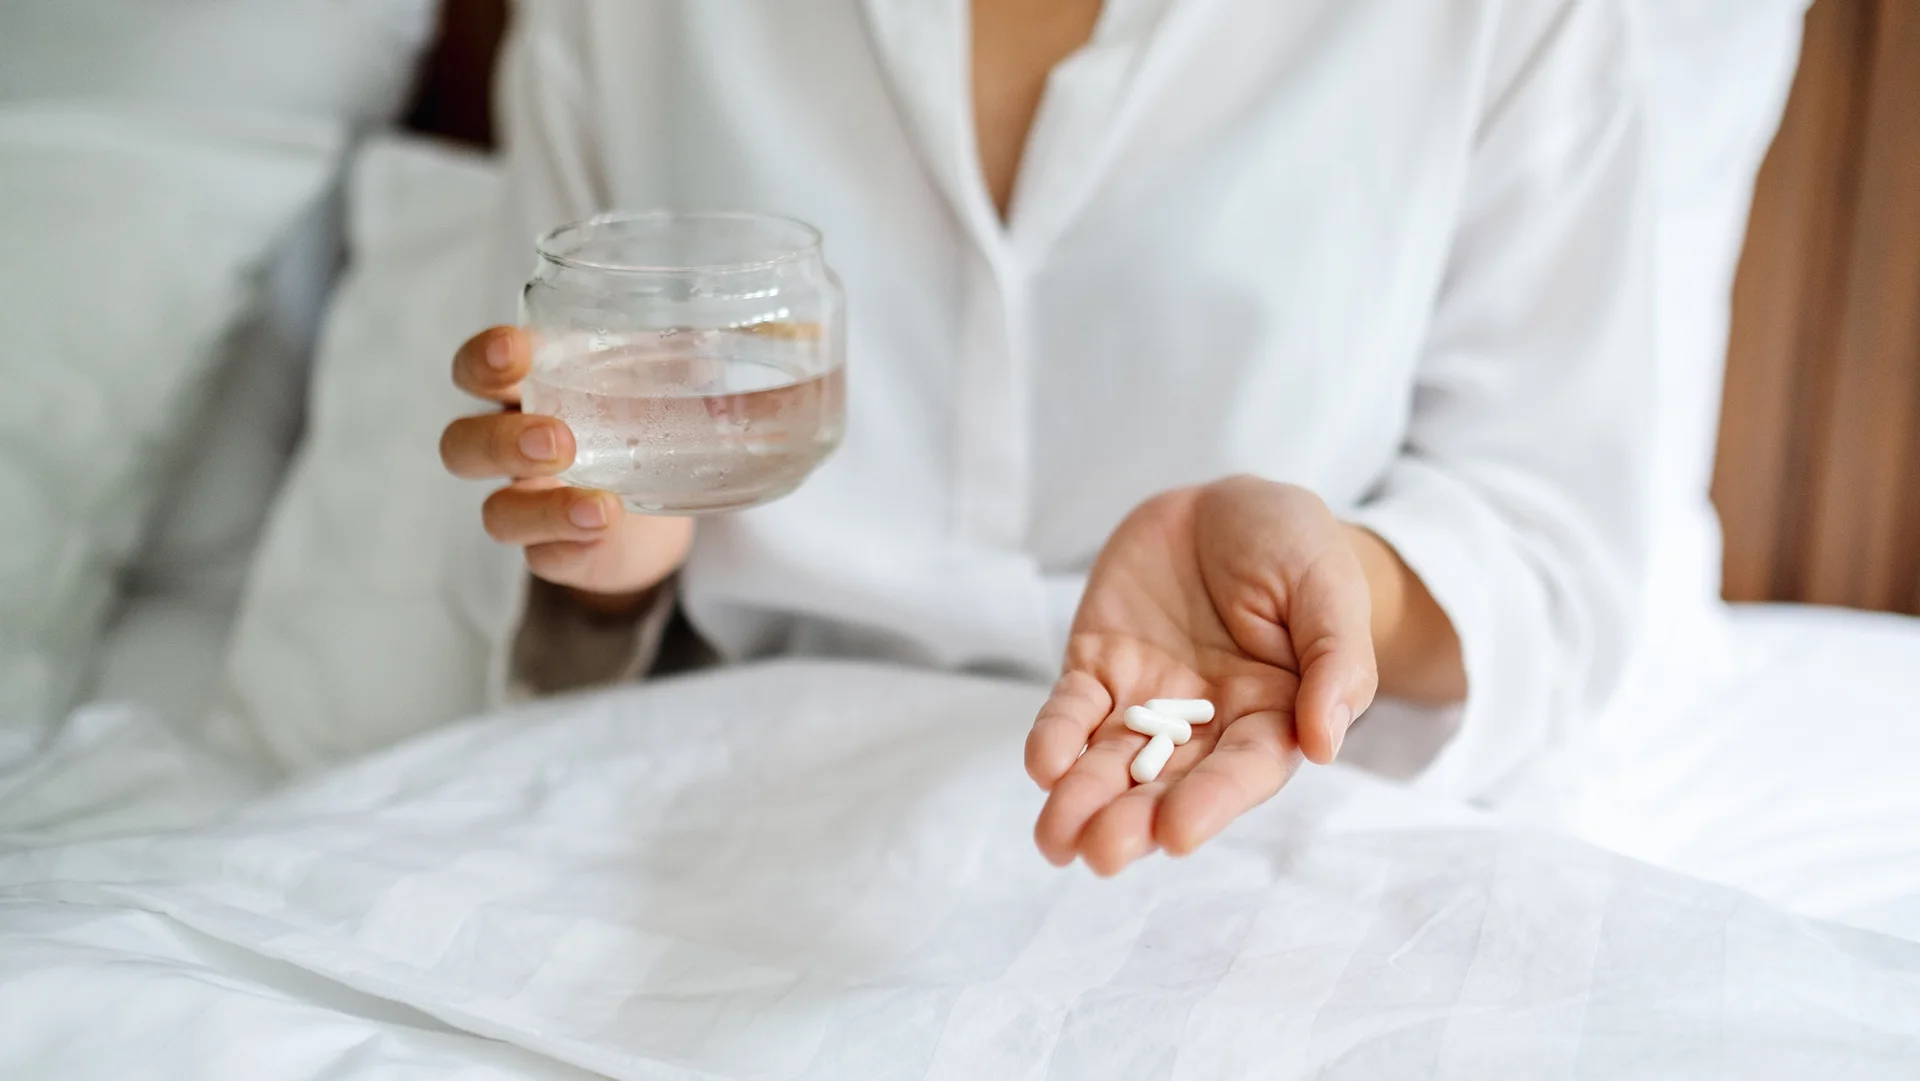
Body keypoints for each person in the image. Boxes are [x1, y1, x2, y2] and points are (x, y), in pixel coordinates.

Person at [438, 0, 1652, 877]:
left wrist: (1340, 586)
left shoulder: (1511, 23)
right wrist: (613, 561)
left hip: (1261, 825)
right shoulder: (617, 23)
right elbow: (555, 457)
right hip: (719, 812)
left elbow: (1555, 554)